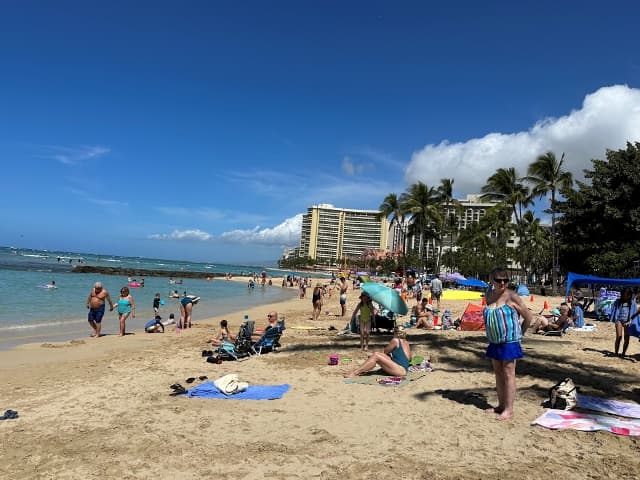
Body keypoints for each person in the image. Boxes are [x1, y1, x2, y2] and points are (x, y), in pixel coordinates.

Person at [482, 268, 533, 420]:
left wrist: (520, 335)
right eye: (498, 280)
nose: (502, 283)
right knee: (498, 372)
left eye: (505, 280)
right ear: (492, 280)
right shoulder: (489, 295)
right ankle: (501, 405)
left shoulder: (512, 297)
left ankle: (509, 410)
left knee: (509, 373)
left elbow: (528, 317)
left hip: (509, 342)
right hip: (494, 341)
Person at [343, 325, 412, 378]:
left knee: (376, 355)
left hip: (400, 371)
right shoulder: (406, 342)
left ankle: (355, 373)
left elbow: (385, 351)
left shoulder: (395, 340)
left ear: (395, 333)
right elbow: (409, 359)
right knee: (376, 355)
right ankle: (369, 364)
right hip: (404, 369)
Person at [609, 287, 638, 357]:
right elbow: (612, 309)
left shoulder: (632, 303)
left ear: (629, 295)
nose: (625, 297)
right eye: (624, 295)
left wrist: (630, 321)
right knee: (619, 337)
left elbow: (634, 313)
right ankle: (616, 352)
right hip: (619, 320)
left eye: (627, 296)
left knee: (626, 338)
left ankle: (623, 353)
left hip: (627, 321)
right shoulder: (618, 301)